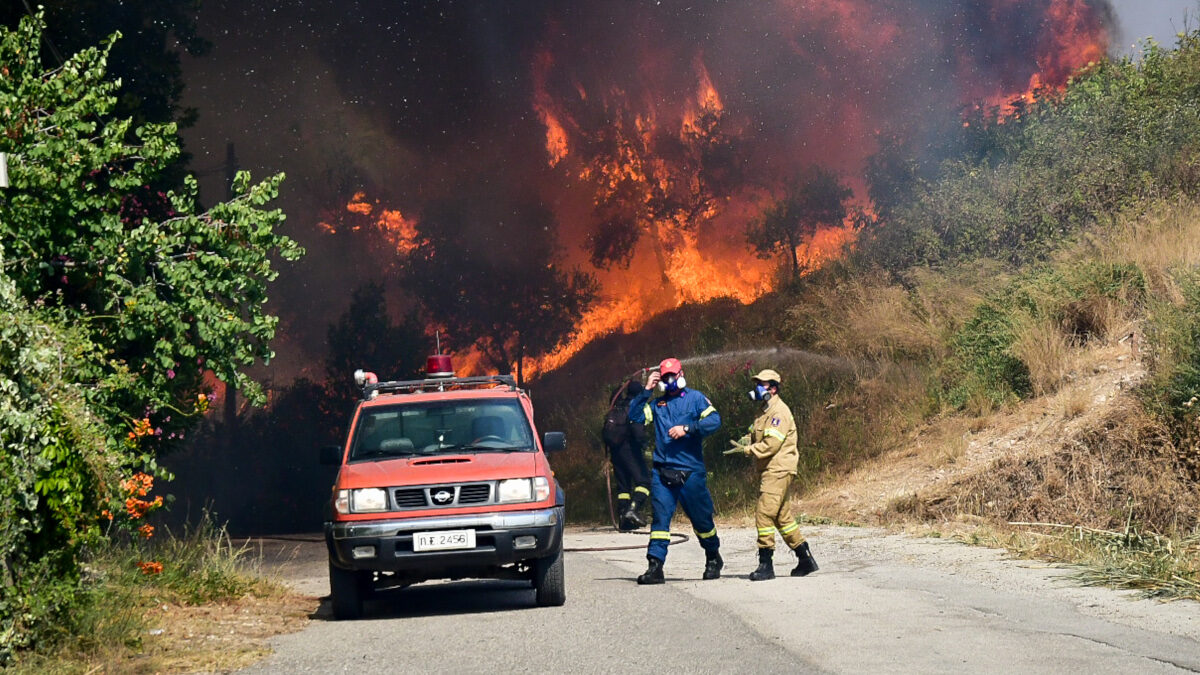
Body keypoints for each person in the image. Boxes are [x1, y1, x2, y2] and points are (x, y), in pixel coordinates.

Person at [627, 357, 723, 584]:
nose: (669, 381)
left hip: (691, 473)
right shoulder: (657, 405)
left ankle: (712, 557)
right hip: (663, 473)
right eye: (665, 377)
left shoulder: (696, 398)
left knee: (702, 521)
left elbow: (715, 421)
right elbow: (635, 417)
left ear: (681, 375)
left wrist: (688, 429)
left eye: (673, 376)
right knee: (660, 520)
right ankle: (655, 566)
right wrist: (645, 391)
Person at [725, 369, 819, 580]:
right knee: (781, 516)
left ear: (773, 389)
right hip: (771, 469)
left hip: (778, 468)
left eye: (762, 384)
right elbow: (754, 433)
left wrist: (749, 450)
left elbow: (771, 444)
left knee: (764, 514)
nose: (757, 388)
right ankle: (805, 559)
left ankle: (766, 565)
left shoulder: (779, 412)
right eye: (757, 383)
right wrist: (744, 441)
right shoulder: (763, 411)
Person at [602, 380, 651, 531]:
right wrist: (644, 444)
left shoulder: (618, 404)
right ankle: (633, 509)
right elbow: (637, 430)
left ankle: (624, 521)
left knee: (624, 487)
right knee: (644, 482)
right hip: (629, 449)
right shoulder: (636, 405)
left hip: (615, 451)